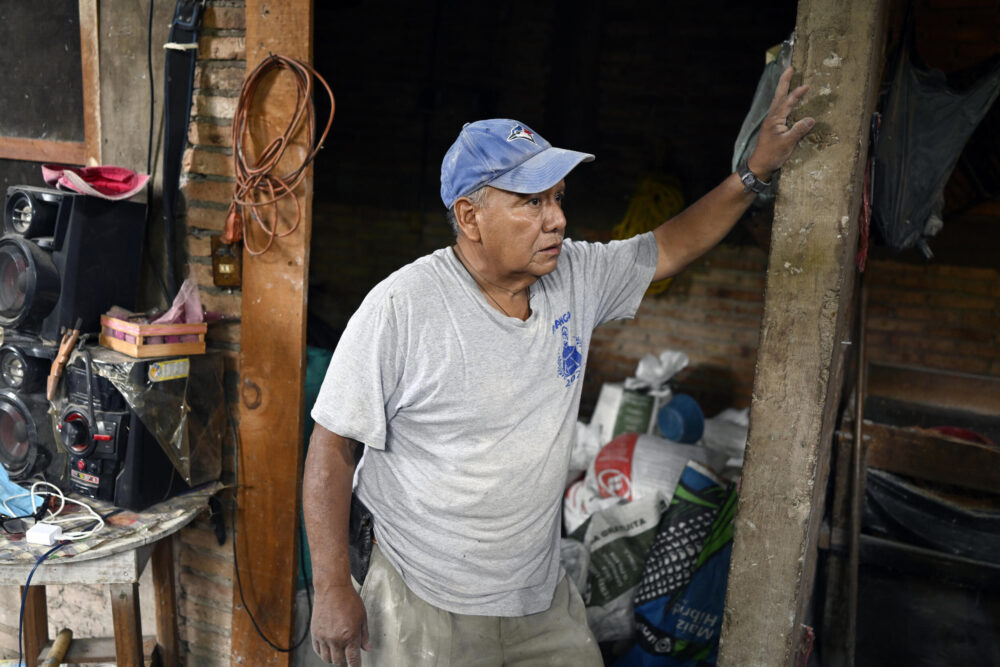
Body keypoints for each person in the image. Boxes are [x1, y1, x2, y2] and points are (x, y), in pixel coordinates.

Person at [303, 66, 814, 667]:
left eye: (557, 199)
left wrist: (752, 172)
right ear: (469, 217)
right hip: (423, 593)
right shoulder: (403, 308)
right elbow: (331, 449)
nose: (556, 219)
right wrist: (334, 587)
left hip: (536, 593)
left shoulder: (574, 274)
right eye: (531, 202)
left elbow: (671, 245)